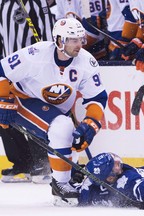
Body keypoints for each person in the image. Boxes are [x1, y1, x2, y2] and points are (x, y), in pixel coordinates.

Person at [0, 18, 108, 204]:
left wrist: (91, 124)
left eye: (80, 39)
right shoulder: (37, 54)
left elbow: (97, 98)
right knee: (62, 127)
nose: (79, 45)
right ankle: (61, 185)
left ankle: (66, 179)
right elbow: (2, 70)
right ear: (59, 41)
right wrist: (3, 100)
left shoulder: (86, 62)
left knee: (72, 139)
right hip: (22, 99)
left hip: (56, 108)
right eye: (73, 40)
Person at [0, 0, 55, 183]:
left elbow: (47, 37)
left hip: (31, 70)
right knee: (4, 114)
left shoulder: (37, 4)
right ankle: (22, 163)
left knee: (33, 112)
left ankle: (41, 162)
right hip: (7, 68)